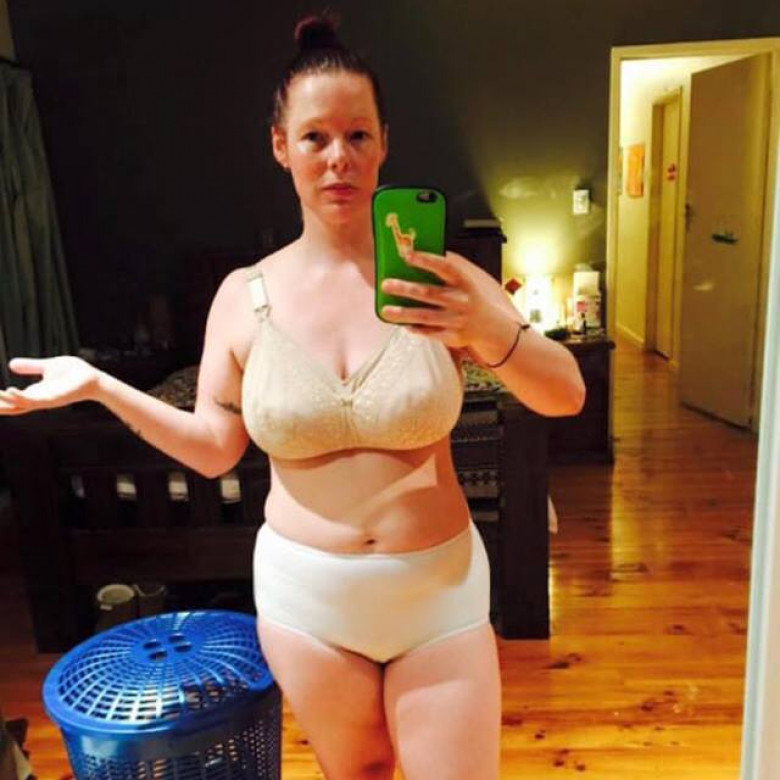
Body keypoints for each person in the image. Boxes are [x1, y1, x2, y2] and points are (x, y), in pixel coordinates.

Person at [0, 13, 585, 779]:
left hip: (437, 592)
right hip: (309, 605)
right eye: (315, 137)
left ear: (384, 143)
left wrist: (487, 328)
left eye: (358, 135)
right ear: (281, 146)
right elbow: (215, 450)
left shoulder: (445, 280)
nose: (339, 157)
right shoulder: (244, 297)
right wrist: (101, 386)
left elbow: (565, 394)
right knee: (358, 773)